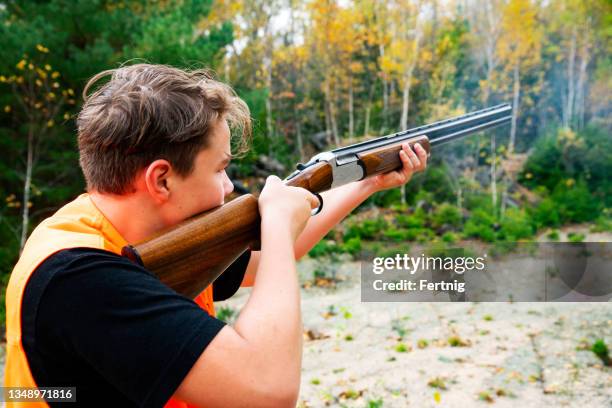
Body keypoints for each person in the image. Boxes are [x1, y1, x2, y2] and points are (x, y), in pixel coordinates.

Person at [4, 64, 428, 408]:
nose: (229, 187)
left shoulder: (124, 229)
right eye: (221, 168)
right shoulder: (79, 279)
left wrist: (366, 183)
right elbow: (267, 389)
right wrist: (276, 226)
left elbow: (273, 257)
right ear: (162, 180)